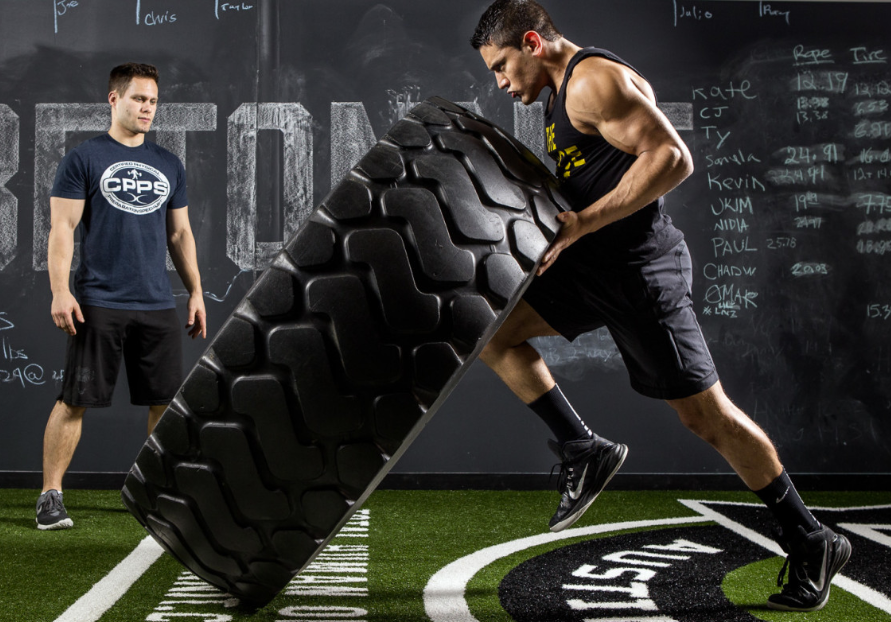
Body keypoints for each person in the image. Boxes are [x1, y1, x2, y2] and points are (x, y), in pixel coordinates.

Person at [471, 0, 850, 612]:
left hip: (641, 278)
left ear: (532, 42)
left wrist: (580, 224)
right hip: (595, 269)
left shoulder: (594, 82)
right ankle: (582, 447)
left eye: (502, 66)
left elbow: (673, 158)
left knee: (708, 419)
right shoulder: (559, 92)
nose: (501, 82)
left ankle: (810, 538)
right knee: (493, 330)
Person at [37, 63, 206, 531]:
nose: (147, 108)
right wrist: (59, 290)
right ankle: (51, 495)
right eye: (138, 99)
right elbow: (62, 229)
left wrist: (195, 292)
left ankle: (156, 494)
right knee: (75, 399)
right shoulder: (84, 158)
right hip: (99, 301)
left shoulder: (169, 163)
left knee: (164, 404)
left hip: (156, 302)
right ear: (114, 100)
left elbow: (181, 234)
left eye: (153, 100)